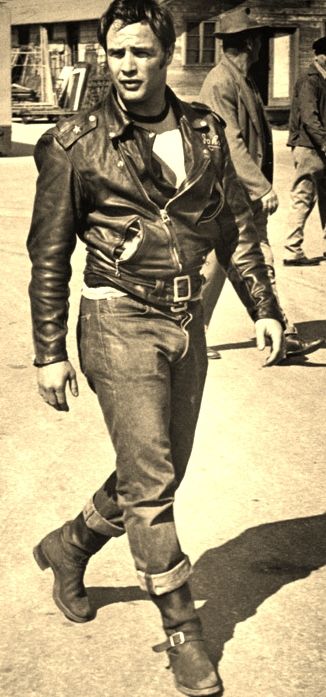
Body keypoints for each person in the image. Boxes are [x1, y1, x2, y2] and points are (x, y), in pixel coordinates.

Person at [27, 2, 285, 695]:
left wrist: (263, 305)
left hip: (183, 322)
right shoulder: (75, 141)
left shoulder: (203, 128)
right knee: (153, 486)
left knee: (156, 474)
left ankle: (68, 546)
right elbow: (48, 253)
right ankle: (185, 632)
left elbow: (232, 221)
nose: (128, 66)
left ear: (167, 54)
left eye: (141, 52)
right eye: (117, 53)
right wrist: (48, 349)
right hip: (115, 320)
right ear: (105, 57)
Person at [199, 6, 324, 360]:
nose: (262, 47)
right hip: (232, 194)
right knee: (253, 259)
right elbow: (231, 142)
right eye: (259, 40)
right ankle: (281, 332)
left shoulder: (242, 79)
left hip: (239, 195)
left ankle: (199, 332)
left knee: (223, 263)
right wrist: (261, 187)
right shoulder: (220, 83)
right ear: (251, 43)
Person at [284, 36, 326, 265]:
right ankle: (292, 250)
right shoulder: (309, 80)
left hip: (319, 147)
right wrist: (325, 143)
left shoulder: (323, 78)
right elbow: (310, 119)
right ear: (319, 56)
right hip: (309, 147)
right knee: (303, 198)